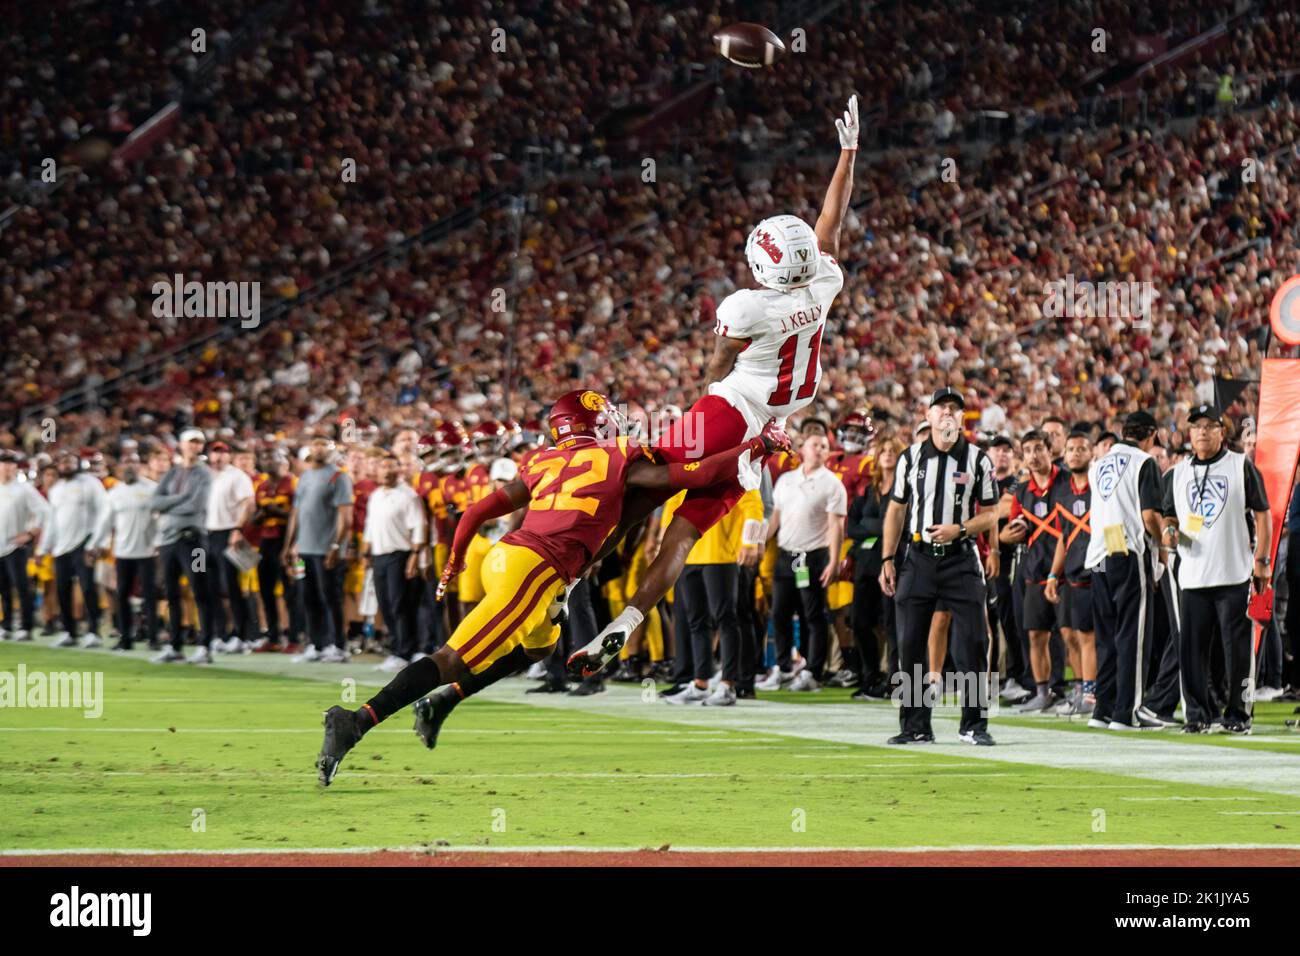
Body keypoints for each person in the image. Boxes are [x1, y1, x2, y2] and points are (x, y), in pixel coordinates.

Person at [313, 390, 790, 785]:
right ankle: (355, 721)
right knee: (452, 658)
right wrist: (757, 447)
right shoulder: (618, 457)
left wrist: (454, 563)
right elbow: (700, 474)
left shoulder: (541, 459)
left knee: (539, 646)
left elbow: (476, 512)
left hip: (513, 557)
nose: (612, 426)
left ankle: (443, 700)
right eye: (605, 420)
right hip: (536, 568)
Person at [568, 95, 860, 678]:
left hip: (733, 412)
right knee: (681, 536)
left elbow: (717, 365)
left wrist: (706, 406)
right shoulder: (824, 281)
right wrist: (848, 153)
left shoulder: (747, 306)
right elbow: (830, 223)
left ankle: (570, 578)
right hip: (766, 432)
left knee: (634, 486)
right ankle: (623, 626)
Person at [879, 388, 1000, 745]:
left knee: (974, 642)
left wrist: (960, 529)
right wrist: (888, 557)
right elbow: (897, 509)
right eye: (941, 408)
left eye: (955, 409)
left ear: (963, 418)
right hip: (917, 557)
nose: (948, 413)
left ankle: (974, 726)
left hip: (961, 557)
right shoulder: (910, 457)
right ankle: (915, 726)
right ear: (928, 415)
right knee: (910, 642)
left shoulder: (978, 460)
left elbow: (991, 512)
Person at [1161, 404, 1272, 734]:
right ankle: (1197, 714)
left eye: (1210, 426)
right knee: (1191, 651)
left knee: (1237, 652)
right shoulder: (1178, 473)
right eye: (1197, 427)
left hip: (1234, 572)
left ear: (1222, 432)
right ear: (1189, 433)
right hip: (1192, 575)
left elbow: (1263, 514)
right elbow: (1169, 515)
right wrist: (1168, 530)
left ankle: (1240, 714)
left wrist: (1262, 561)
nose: (1203, 432)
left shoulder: (1240, 466)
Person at [1083, 411, 1165, 731]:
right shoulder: (1144, 462)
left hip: (1098, 555)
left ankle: (1103, 709)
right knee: (1133, 634)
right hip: (1127, 554)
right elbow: (1149, 516)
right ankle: (1126, 712)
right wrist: (1164, 548)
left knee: (1106, 637)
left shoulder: (1098, 464)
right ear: (1151, 435)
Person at [765, 431, 847, 692]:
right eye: (815, 445)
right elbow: (774, 519)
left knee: (813, 615)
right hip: (786, 554)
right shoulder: (787, 480)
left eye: (824, 446)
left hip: (813, 555)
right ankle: (784, 667)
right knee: (779, 613)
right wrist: (755, 542)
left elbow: (836, 526)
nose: (820, 449)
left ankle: (813, 670)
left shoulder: (832, 483)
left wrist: (834, 561)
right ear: (802, 449)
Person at [1002, 430, 1067, 712]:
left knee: (1074, 635)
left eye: (1038, 448)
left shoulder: (1067, 482)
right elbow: (1007, 531)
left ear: (1050, 451)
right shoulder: (1021, 490)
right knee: (1036, 635)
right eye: (1027, 450)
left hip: (1068, 572)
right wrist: (1010, 535)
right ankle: (1042, 692)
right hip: (1034, 570)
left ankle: (1080, 691)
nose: (1033, 455)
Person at [846, 433, 906, 698]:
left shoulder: (905, 490)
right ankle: (871, 676)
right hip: (866, 565)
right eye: (884, 451)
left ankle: (895, 681)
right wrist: (881, 528)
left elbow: (899, 526)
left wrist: (873, 529)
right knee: (859, 622)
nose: (888, 455)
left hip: (895, 562)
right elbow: (853, 527)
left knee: (892, 624)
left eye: (893, 451)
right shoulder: (869, 491)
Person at [284, 437, 354, 663]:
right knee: (307, 596)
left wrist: (336, 546)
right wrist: (289, 544)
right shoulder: (304, 477)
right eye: (315, 444)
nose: (319, 448)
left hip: (327, 550)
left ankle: (338, 646)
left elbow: (346, 517)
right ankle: (316, 644)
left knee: (331, 597)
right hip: (304, 550)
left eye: (325, 445)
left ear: (332, 451)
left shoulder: (338, 476)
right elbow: (296, 513)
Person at [151, 429, 215, 663]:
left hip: (193, 539)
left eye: (198, 443)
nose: (194, 446)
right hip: (168, 541)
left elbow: (196, 505)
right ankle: (174, 645)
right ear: (181, 445)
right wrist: (180, 499)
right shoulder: (172, 473)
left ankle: (205, 646)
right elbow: (153, 502)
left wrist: (166, 507)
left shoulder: (204, 474)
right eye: (191, 442)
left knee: (200, 590)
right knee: (171, 594)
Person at [1044, 431, 1096, 716]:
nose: (1076, 453)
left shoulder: (1100, 488)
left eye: (1082, 449)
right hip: (1075, 575)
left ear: (1092, 454)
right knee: (1080, 636)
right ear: (1064, 455)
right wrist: (1054, 575)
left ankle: (1097, 694)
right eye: (1071, 449)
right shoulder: (1061, 494)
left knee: (1099, 637)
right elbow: (1065, 537)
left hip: (1101, 572)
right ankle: (1088, 693)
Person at [363, 452, 427, 672]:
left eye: (391, 467)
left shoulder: (407, 495)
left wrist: (414, 557)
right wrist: (366, 553)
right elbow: (370, 528)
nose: (387, 471)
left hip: (399, 554)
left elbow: (419, 526)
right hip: (379, 556)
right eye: (384, 467)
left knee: (400, 604)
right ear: (378, 471)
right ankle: (397, 648)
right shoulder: (376, 495)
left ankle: (406, 651)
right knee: (385, 604)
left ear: (399, 470)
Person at [39, 451, 108, 647]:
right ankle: (70, 632)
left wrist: (98, 542)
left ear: (78, 463)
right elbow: (52, 521)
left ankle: (94, 631)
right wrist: (43, 548)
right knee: (62, 590)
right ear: (58, 465)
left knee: (88, 588)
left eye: (71, 461)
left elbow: (104, 511)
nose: (67, 465)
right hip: (61, 547)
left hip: (84, 544)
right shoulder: (56, 488)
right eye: (63, 462)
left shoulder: (90, 483)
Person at [93, 452, 159, 651]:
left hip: (148, 552)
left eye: (134, 462)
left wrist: (159, 541)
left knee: (150, 595)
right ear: (120, 466)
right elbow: (105, 521)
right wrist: (95, 544)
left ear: (141, 466)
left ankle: (153, 638)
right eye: (126, 462)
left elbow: (161, 517)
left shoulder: (152, 489)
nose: (130, 466)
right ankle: (126, 638)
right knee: (122, 596)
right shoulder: (115, 492)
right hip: (123, 552)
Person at [205, 440, 256, 652]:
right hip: (203, 537)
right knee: (207, 584)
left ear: (229, 456)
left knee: (231, 585)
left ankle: (240, 635)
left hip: (227, 534)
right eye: (215, 453)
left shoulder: (236, 476)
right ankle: (218, 633)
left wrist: (237, 529)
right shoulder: (203, 475)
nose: (218, 457)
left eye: (222, 453)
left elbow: (249, 503)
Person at [0, 450, 50, 640]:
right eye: (4, 463)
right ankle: (6, 625)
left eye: (11, 463)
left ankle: (26, 627)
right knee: (3, 588)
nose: (7, 467)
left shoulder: (24, 488)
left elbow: (44, 511)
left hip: (16, 546)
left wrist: (29, 533)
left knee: (21, 586)